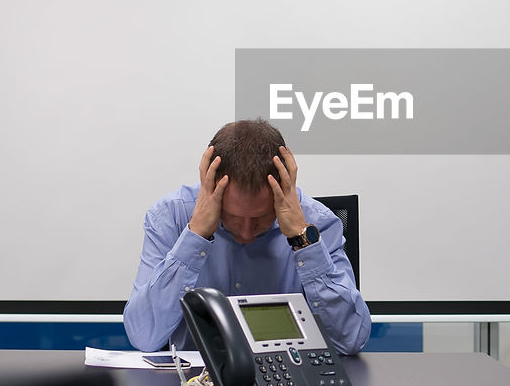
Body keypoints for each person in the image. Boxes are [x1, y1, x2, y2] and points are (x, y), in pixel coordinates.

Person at [124, 119, 371, 355]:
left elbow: (349, 340)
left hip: (290, 381)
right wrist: (196, 234)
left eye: (260, 218)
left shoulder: (316, 224)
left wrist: (302, 240)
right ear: (209, 186)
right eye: (232, 216)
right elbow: (144, 337)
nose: (245, 232)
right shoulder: (171, 216)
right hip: (197, 385)